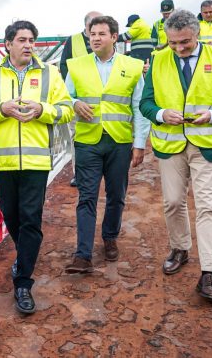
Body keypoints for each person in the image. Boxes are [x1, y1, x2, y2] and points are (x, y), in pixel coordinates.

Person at [139, 10, 212, 301]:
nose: (179, 49)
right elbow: (146, 104)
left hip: (207, 146)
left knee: (209, 206)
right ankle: (180, 248)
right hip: (170, 144)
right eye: (173, 43)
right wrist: (160, 113)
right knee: (173, 202)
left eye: (184, 42)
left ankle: (208, 274)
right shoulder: (159, 59)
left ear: (197, 34)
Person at [0, 20, 74, 314]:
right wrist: (0, 110)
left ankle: (23, 283)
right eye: (22, 40)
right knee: (12, 217)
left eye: (32, 40)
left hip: (37, 160)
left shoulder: (50, 73)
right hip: (3, 160)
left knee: (31, 219)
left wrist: (43, 110)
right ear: (8, 44)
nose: (29, 45)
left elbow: (66, 111)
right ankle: (24, 256)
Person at [63, 15, 150, 273]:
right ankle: (83, 255)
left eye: (102, 34)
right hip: (88, 141)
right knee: (86, 196)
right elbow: (63, 98)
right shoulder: (76, 66)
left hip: (119, 141)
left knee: (116, 196)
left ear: (114, 37)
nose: (96, 38)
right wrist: (73, 103)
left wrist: (139, 144)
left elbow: (138, 107)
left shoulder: (132, 66)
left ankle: (110, 237)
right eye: (92, 34)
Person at [59, 11, 102, 187]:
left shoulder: (106, 39)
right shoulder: (73, 40)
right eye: (93, 26)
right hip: (79, 101)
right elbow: (64, 65)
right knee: (78, 137)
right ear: (86, 26)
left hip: (103, 101)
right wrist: (72, 96)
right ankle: (80, 174)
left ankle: (100, 171)